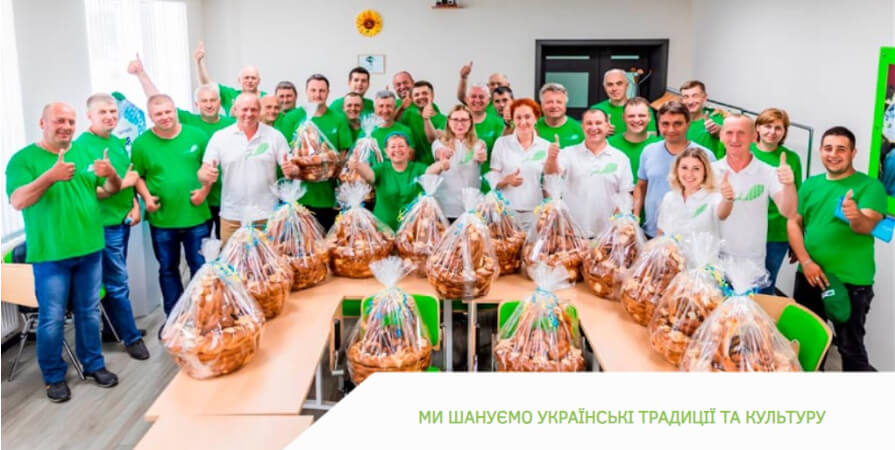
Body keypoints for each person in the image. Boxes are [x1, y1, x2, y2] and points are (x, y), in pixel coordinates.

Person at [6, 103, 122, 402]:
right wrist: (50, 176)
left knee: (89, 312)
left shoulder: (84, 151)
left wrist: (111, 175)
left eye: (71, 121)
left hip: (90, 248)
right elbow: (18, 201)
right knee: (52, 318)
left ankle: (93, 365)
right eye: (60, 121)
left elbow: (110, 190)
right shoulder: (23, 160)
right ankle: (54, 377)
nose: (67, 126)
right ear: (42, 123)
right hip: (51, 254)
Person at [788, 126, 887, 371]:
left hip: (851, 282)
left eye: (841, 149)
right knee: (808, 343)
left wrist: (855, 216)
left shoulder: (870, 186)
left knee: (850, 348)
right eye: (828, 148)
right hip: (809, 276)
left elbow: (866, 225)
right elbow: (794, 222)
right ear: (821, 150)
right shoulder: (811, 184)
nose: (833, 154)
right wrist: (805, 261)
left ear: (853, 152)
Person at [74, 94, 149, 360]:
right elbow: (90, 191)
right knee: (117, 283)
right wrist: (126, 183)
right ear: (89, 116)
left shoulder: (116, 142)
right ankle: (131, 337)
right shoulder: (81, 148)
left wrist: (135, 204)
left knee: (113, 279)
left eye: (113, 112)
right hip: (103, 226)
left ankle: (113, 328)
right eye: (103, 112)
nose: (110, 117)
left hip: (122, 221)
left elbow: (128, 176)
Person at [127, 56, 233, 239]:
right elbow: (158, 101)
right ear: (196, 104)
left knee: (226, 246)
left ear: (220, 102)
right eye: (204, 101)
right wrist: (141, 74)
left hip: (226, 197)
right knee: (205, 248)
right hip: (198, 201)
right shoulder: (189, 122)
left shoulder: (232, 124)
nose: (209, 104)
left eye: (213, 100)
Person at [131, 94, 212, 321]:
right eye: (159, 114)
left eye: (168, 112)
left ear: (175, 110)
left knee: (200, 268)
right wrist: (146, 197)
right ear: (150, 116)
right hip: (163, 220)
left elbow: (211, 169)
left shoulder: (197, 135)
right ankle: (174, 319)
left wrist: (204, 191)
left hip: (196, 216)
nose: (165, 117)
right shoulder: (141, 144)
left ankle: (201, 316)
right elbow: (137, 176)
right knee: (168, 269)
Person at [199, 94, 296, 244]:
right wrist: (206, 176)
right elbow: (203, 172)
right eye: (244, 109)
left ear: (260, 111)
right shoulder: (220, 137)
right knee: (229, 259)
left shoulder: (275, 136)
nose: (249, 114)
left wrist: (292, 171)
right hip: (232, 217)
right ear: (235, 110)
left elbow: (293, 169)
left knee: (267, 258)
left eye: (253, 109)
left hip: (267, 216)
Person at [712, 114, 797, 274]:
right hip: (714, 261)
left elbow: (789, 211)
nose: (735, 139)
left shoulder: (768, 172)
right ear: (722, 136)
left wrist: (788, 185)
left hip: (751, 264)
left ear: (753, 137)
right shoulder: (709, 171)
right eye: (729, 133)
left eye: (741, 133)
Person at [279, 74, 354, 230]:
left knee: (327, 241)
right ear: (306, 91)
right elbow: (285, 152)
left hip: (328, 197)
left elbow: (344, 154)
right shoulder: (293, 118)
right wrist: (298, 168)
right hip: (298, 196)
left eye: (322, 91)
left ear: (328, 92)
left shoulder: (338, 119)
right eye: (313, 90)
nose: (317, 95)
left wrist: (326, 167)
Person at [544, 109, 634, 238]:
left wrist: (613, 231)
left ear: (607, 126)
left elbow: (625, 195)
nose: (593, 127)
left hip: (607, 237)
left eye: (598, 123)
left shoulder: (620, 158)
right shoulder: (568, 153)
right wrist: (551, 158)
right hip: (573, 234)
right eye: (589, 123)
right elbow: (551, 173)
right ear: (582, 126)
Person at [634, 101, 714, 238]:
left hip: (689, 238)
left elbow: (712, 194)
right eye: (665, 124)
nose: (671, 129)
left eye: (677, 124)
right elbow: (641, 186)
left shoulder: (706, 156)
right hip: (651, 232)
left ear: (688, 124)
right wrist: (634, 218)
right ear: (658, 124)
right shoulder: (648, 151)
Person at [750, 108, 803, 294]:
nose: (772, 132)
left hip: (776, 234)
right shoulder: (745, 151)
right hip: (746, 230)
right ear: (757, 127)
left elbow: (797, 200)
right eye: (767, 126)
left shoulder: (791, 159)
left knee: (766, 284)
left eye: (778, 128)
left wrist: (797, 240)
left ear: (784, 132)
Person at [349, 133, 441, 230]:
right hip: (383, 229)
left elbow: (430, 171)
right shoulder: (381, 168)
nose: (397, 150)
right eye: (393, 147)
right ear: (386, 152)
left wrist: (441, 164)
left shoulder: (417, 168)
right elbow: (369, 175)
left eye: (401, 146)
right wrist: (358, 165)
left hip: (412, 228)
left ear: (409, 150)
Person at [489, 98, 551, 227]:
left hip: (535, 211)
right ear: (512, 119)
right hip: (505, 212)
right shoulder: (501, 143)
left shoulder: (545, 146)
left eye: (527, 117)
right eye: (518, 117)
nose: (523, 122)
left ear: (536, 118)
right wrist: (506, 180)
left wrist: (550, 208)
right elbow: (492, 179)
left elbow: (549, 183)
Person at [428, 105, 488, 219]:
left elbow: (482, 155)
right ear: (449, 122)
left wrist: (481, 156)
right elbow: (438, 152)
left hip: (471, 207)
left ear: (471, 122)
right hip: (446, 207)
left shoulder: (479, 144)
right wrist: (443, 155)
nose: (460, 124)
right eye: (455, 119)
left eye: (464, 120)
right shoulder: (439, 143)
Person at [657, 148, 733, 237]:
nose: (689, 174)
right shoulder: (669, 197)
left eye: (696, 168)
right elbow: (661, 231)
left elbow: (723, 214)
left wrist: (727, 199)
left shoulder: (714, 198)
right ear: (677, 170)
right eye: (684, 168)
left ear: (705, 172)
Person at [194, 41, 266, 114]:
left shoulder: (265, 99)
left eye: (253, 78)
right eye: (246, 78)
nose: (250, 81)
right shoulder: (229, 94)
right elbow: (207, 85)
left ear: (259, 81)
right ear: (239, 80)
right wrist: (199, 62)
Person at [608, 97, 661, 181]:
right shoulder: (609, 145)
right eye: (631, 116)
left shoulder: (660, 146)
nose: (636, 120)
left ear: (649, 117)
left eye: (641, 115)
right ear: (623, 117)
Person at [590, 69, 657, 136]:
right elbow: (587, 137)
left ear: (627, 85)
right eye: (610, 85)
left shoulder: (643, 108)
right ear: (604, 87)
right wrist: (599, 132)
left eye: (619, 84)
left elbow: (652, 136)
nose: (614, 88)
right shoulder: (596, 109)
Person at [398, 81, 446, 165]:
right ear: (412, 99)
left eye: (424, 93)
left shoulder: (444, 120)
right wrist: (400, 108)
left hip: (437, 167)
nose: (420, 97)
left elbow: (433, 139)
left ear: (432, 95)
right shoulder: (408, 115)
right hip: (415, 168)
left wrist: (426, 119)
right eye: (416, 95)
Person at [680, 80, 724, 158]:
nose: (690, 101)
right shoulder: (676, 123)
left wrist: (719, 131)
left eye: (695, 96)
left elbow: (731, 137)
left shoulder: (717, 119)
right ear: (681, 100)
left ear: (704, 98)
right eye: (686, 97)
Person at [465, 84, 505, 167]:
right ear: (467, 99)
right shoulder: (456, 121)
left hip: (489, 173)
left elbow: (503, 152)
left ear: (489, 100)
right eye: (473, 96)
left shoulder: (498, 123)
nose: (477, 100)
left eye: (481, 97)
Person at [534, 83, 584, 148]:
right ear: (541, 105)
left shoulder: (580, 130)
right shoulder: (533, 128)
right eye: (549, 102)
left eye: (559, 102)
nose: (554, 106)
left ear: (565, 105)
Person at [368, 90, 415, 157]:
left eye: (389, 106)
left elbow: (410, 157)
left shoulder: (405, 131)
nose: (385, 110)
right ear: (375, 109)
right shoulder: (367, 133)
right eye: (381, 106)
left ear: (395, 108)